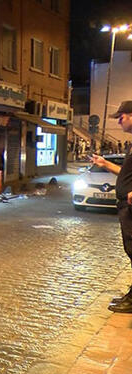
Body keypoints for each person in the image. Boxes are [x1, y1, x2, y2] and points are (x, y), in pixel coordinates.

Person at [91, 101, 132, 313]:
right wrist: (105, 164)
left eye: (122, 116)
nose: (119, 121)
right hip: (125, 206)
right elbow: (127, 174)